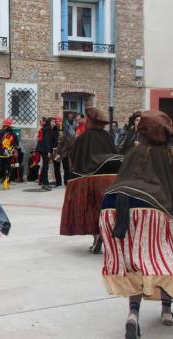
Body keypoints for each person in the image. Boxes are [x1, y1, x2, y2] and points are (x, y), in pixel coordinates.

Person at [100, 110, 173, 338]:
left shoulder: (135, 153)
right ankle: (166, 310)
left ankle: (133, 315)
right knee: (169, 258)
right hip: (154, 209)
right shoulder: (170, 156)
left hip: (116, 205)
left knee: (135, 263)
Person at [60, 107, 122, 253]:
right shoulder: (107, 137)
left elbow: (75, 158)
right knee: (105, 209)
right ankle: (105, 234)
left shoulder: (83, 137)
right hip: (110, 179)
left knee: (91, 209)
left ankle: (96, 237)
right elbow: (114, 153)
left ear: (91, 121)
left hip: (88, 180)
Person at [0, 119, 19, 190]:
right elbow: (16, 144)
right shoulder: (13, 134)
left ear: (4, 125)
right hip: (8, 155)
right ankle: (5, 185)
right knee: (7, 169)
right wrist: (14, 151)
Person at [36, 118, 54, 190]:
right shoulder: (47, 129)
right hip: (45, 150)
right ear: (49, 122)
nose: (54, 123)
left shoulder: (47, 128)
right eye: (53, 121)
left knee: (44, 166)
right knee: (45, 167)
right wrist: (49, 151)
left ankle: (44, 182)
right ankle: (45, 183)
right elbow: (47, 141)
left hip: (43, 149)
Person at [52, 116, 63, 187]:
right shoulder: (53, 130)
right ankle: (58, 182)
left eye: (59, 121)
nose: (58, 123)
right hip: (56, 150)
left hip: (64, 150)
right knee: (56, 167)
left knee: (66, 167)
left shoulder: (65, 129)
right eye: (56, 121)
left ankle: (66, 182)